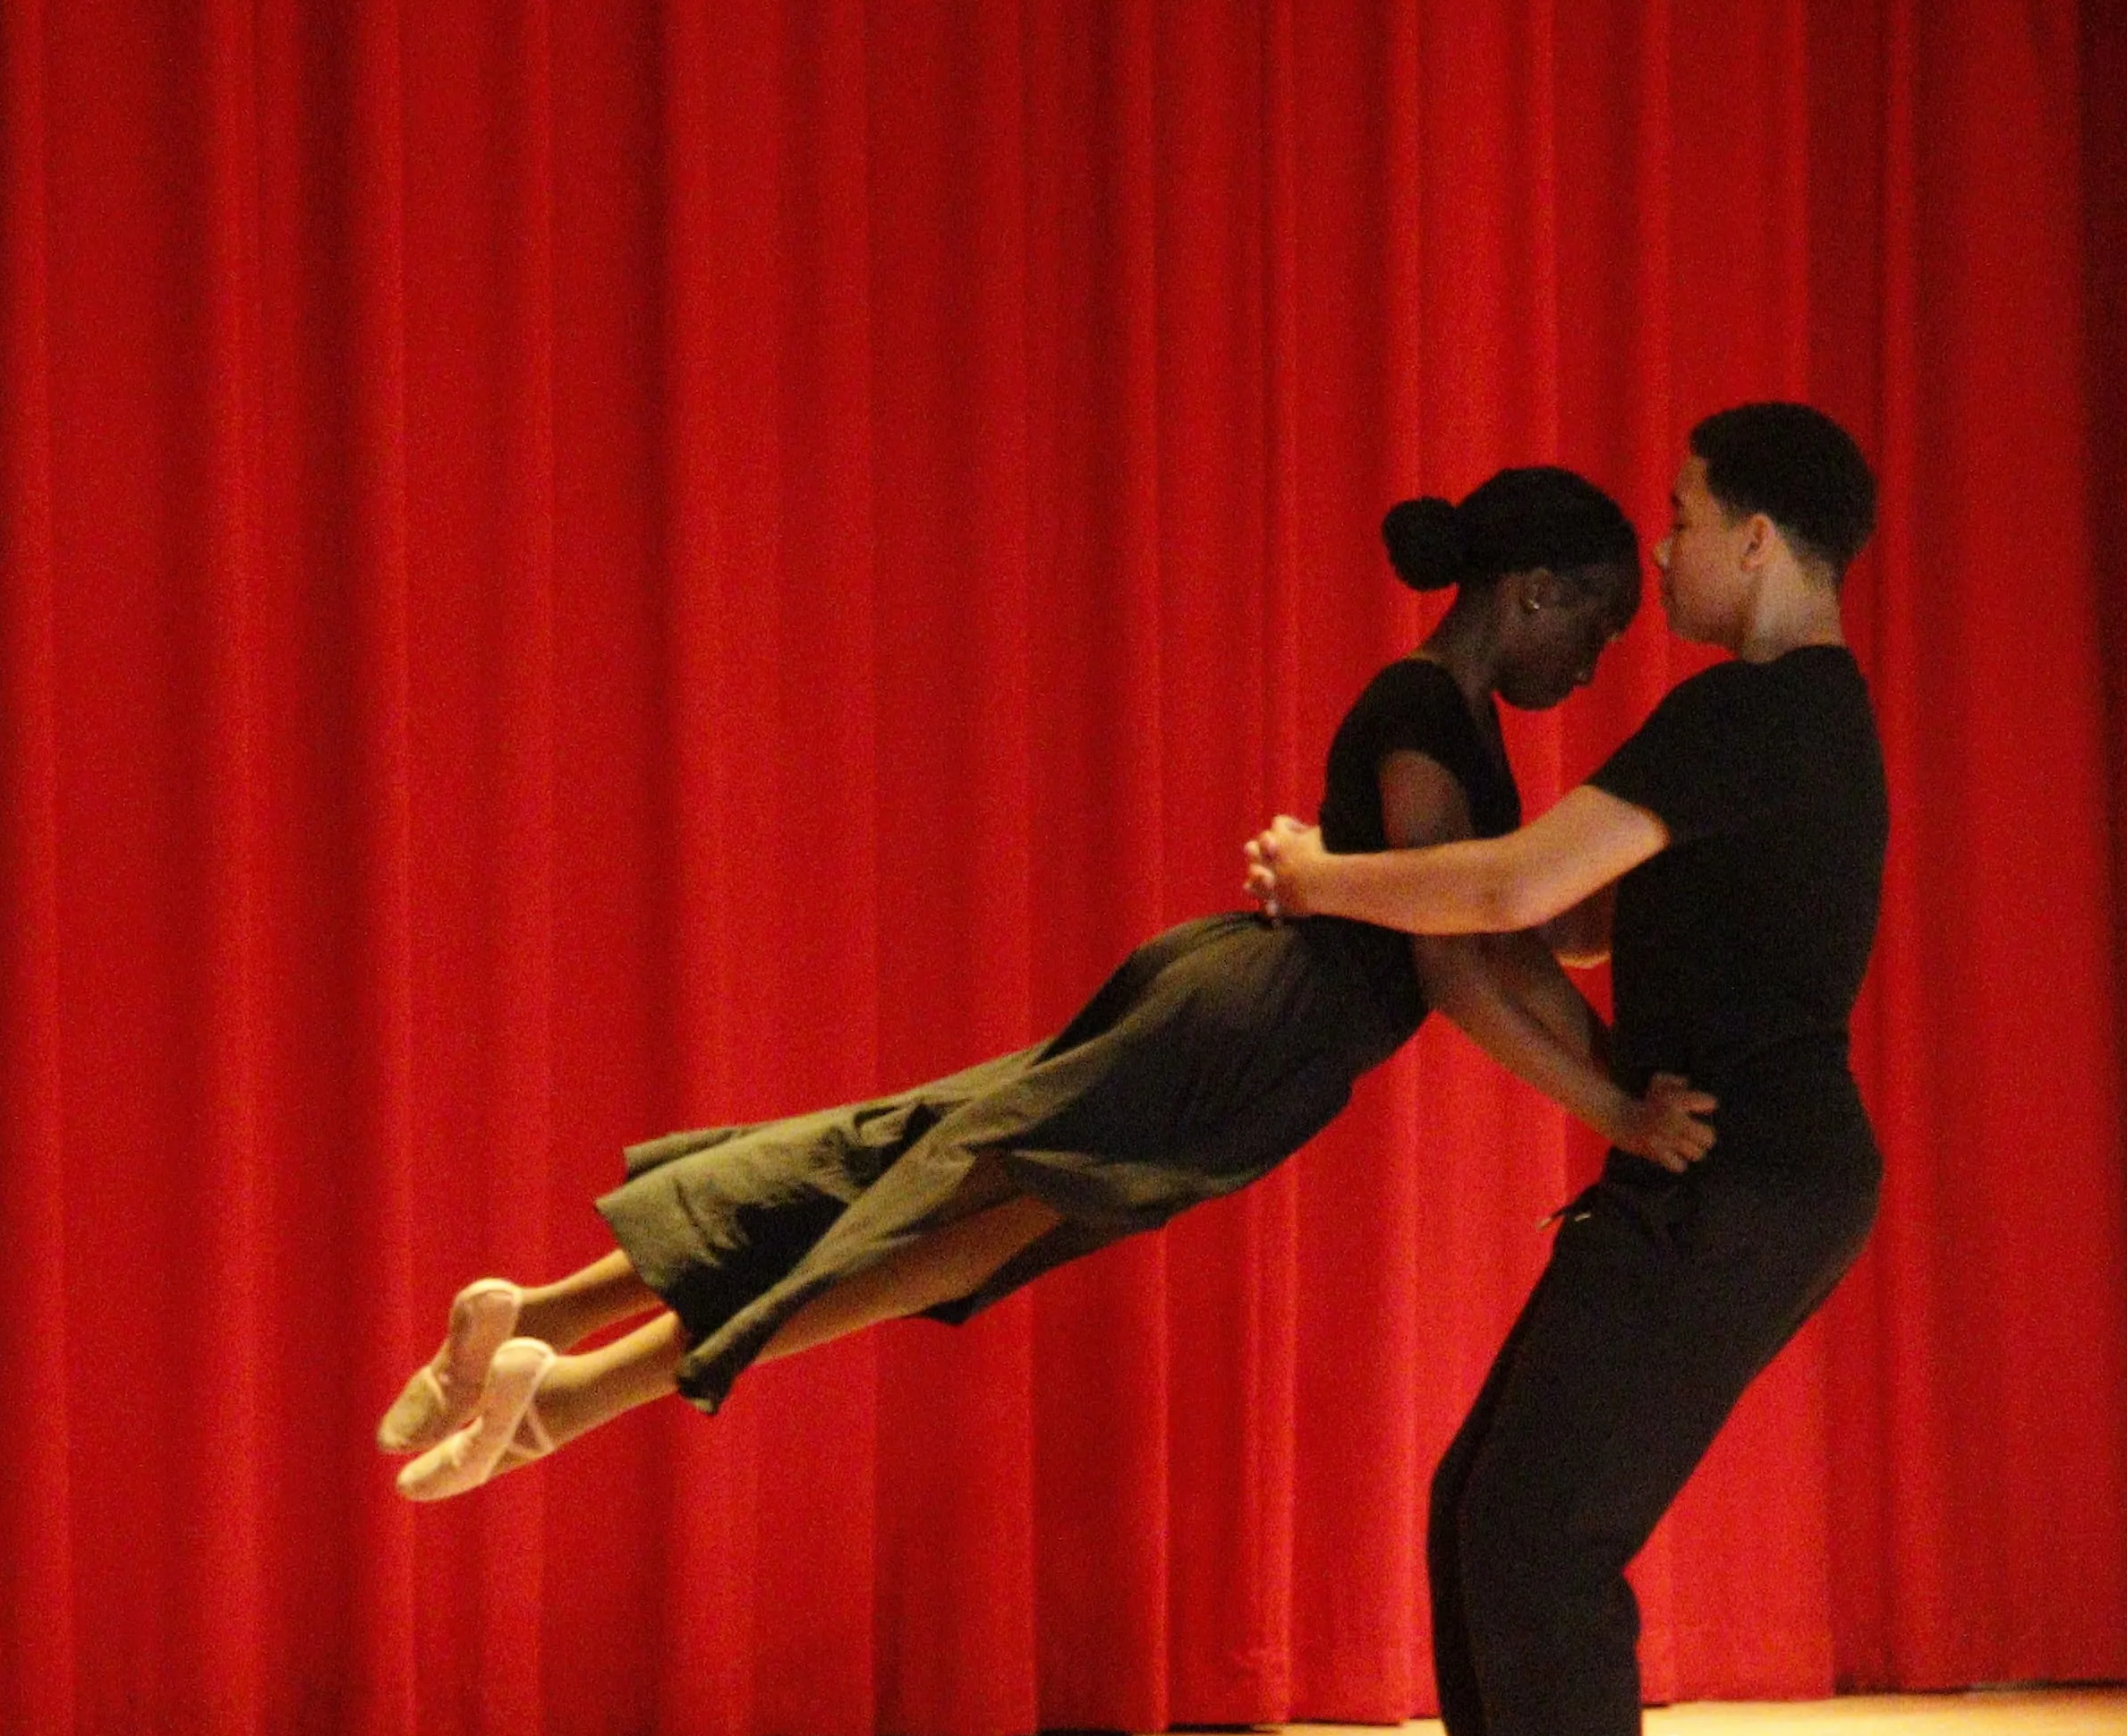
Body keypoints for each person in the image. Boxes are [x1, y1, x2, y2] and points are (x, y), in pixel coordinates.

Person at [379, 470, 1714, 1495]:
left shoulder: (1452, 718)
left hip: (1254, 1029)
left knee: (914, 1187)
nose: (1595, 663)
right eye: (1594, 623)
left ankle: (534, 1327)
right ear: (1532, 591)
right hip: (1253, 1029)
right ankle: (560, 1397)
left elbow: (1519, 926)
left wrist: (1646, 876)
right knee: (922, 1227)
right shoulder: (1424, 711)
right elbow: (1462, 958)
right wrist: (1610, 1115)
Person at [1247, 402, 1886, 1736]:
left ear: (1755, 540)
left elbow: (1521, 892)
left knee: (1546, 1530)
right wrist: (1471, 874)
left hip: (1741, 1169)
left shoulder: (1757, 715)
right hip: (1723, 1162)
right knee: (1488, 1497)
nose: (1659, 547)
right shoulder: (1776, 724)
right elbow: (1585, 917)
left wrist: (1323, 876)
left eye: (1680, 518)